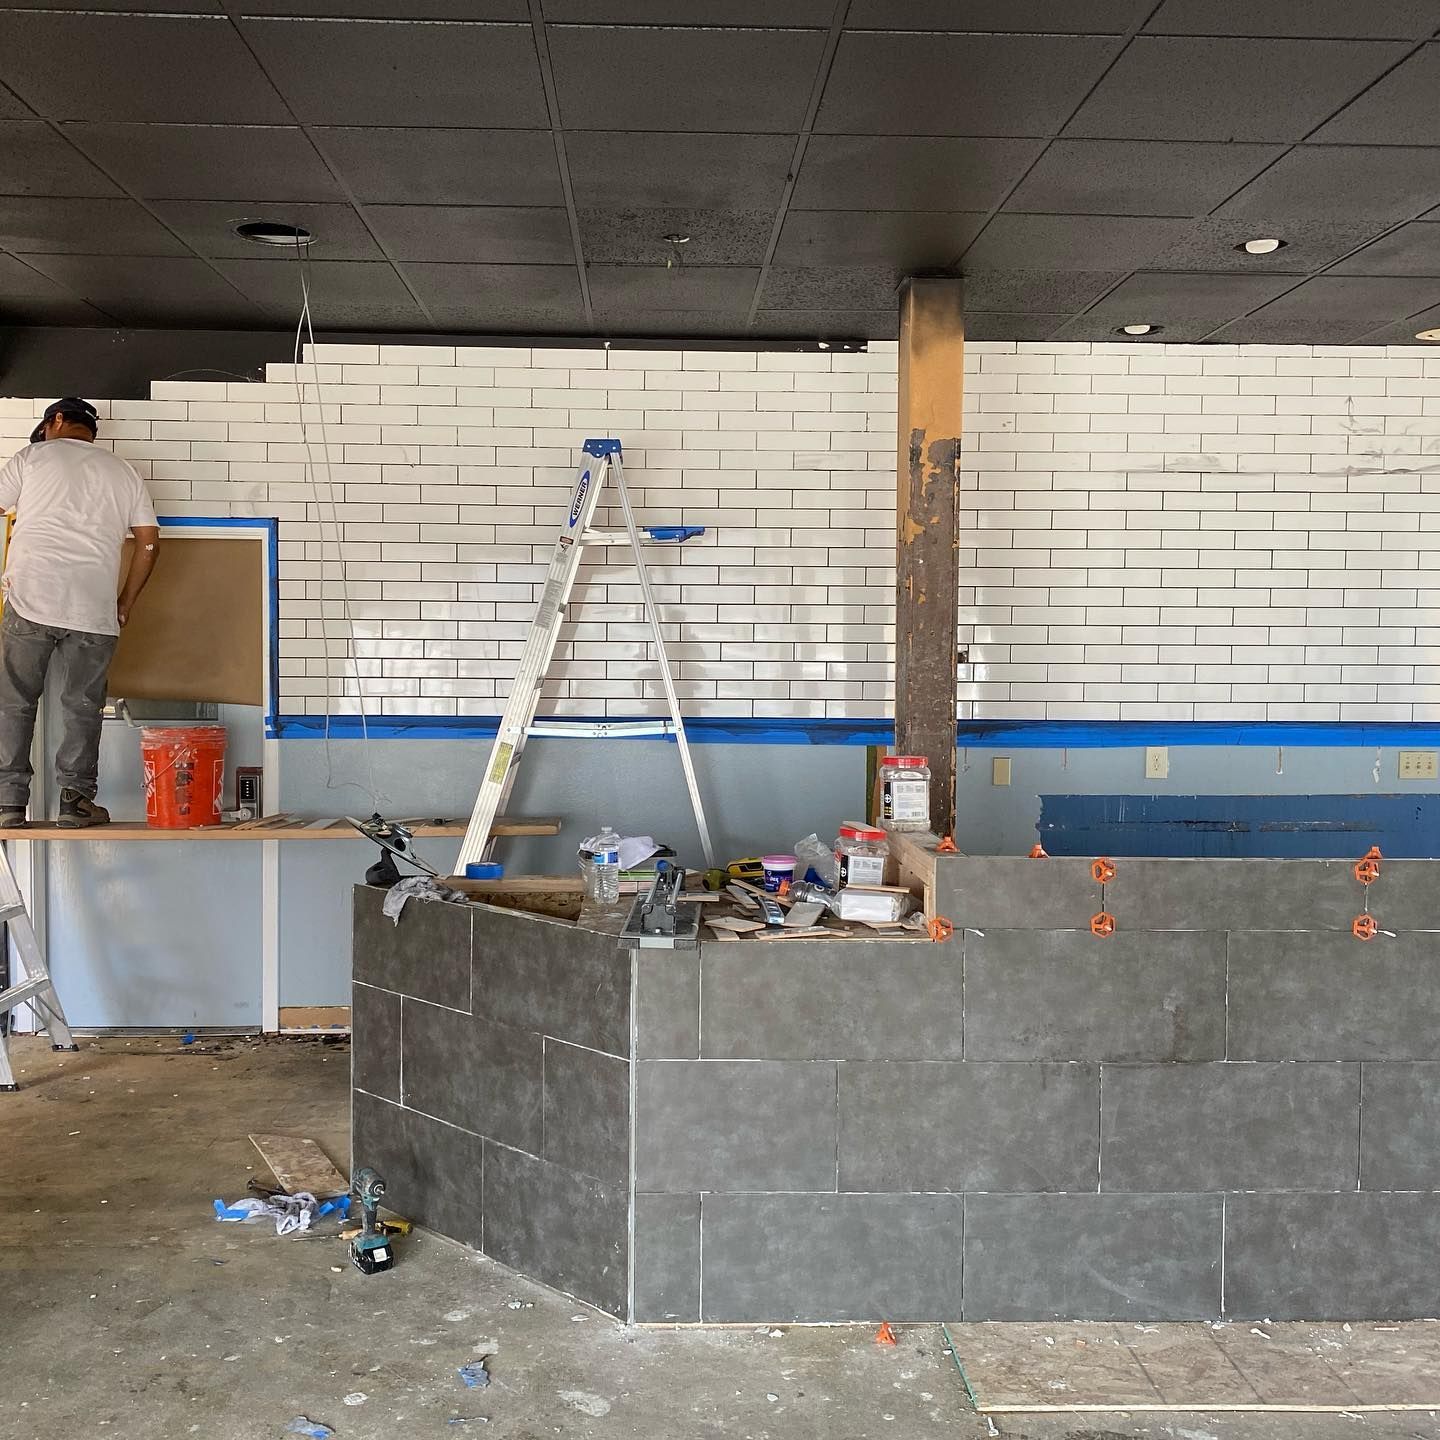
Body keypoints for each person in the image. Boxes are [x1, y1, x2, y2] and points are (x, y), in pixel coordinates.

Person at [0, 398, 160, 828]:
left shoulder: (32, 458)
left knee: (14, 701)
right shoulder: (122, 471)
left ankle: (7, 803)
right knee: (83, 706)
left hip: (30, 599)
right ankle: (75, 801)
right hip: (93, 608)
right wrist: (125, 602)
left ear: (55, 421)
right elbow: (148, 541)